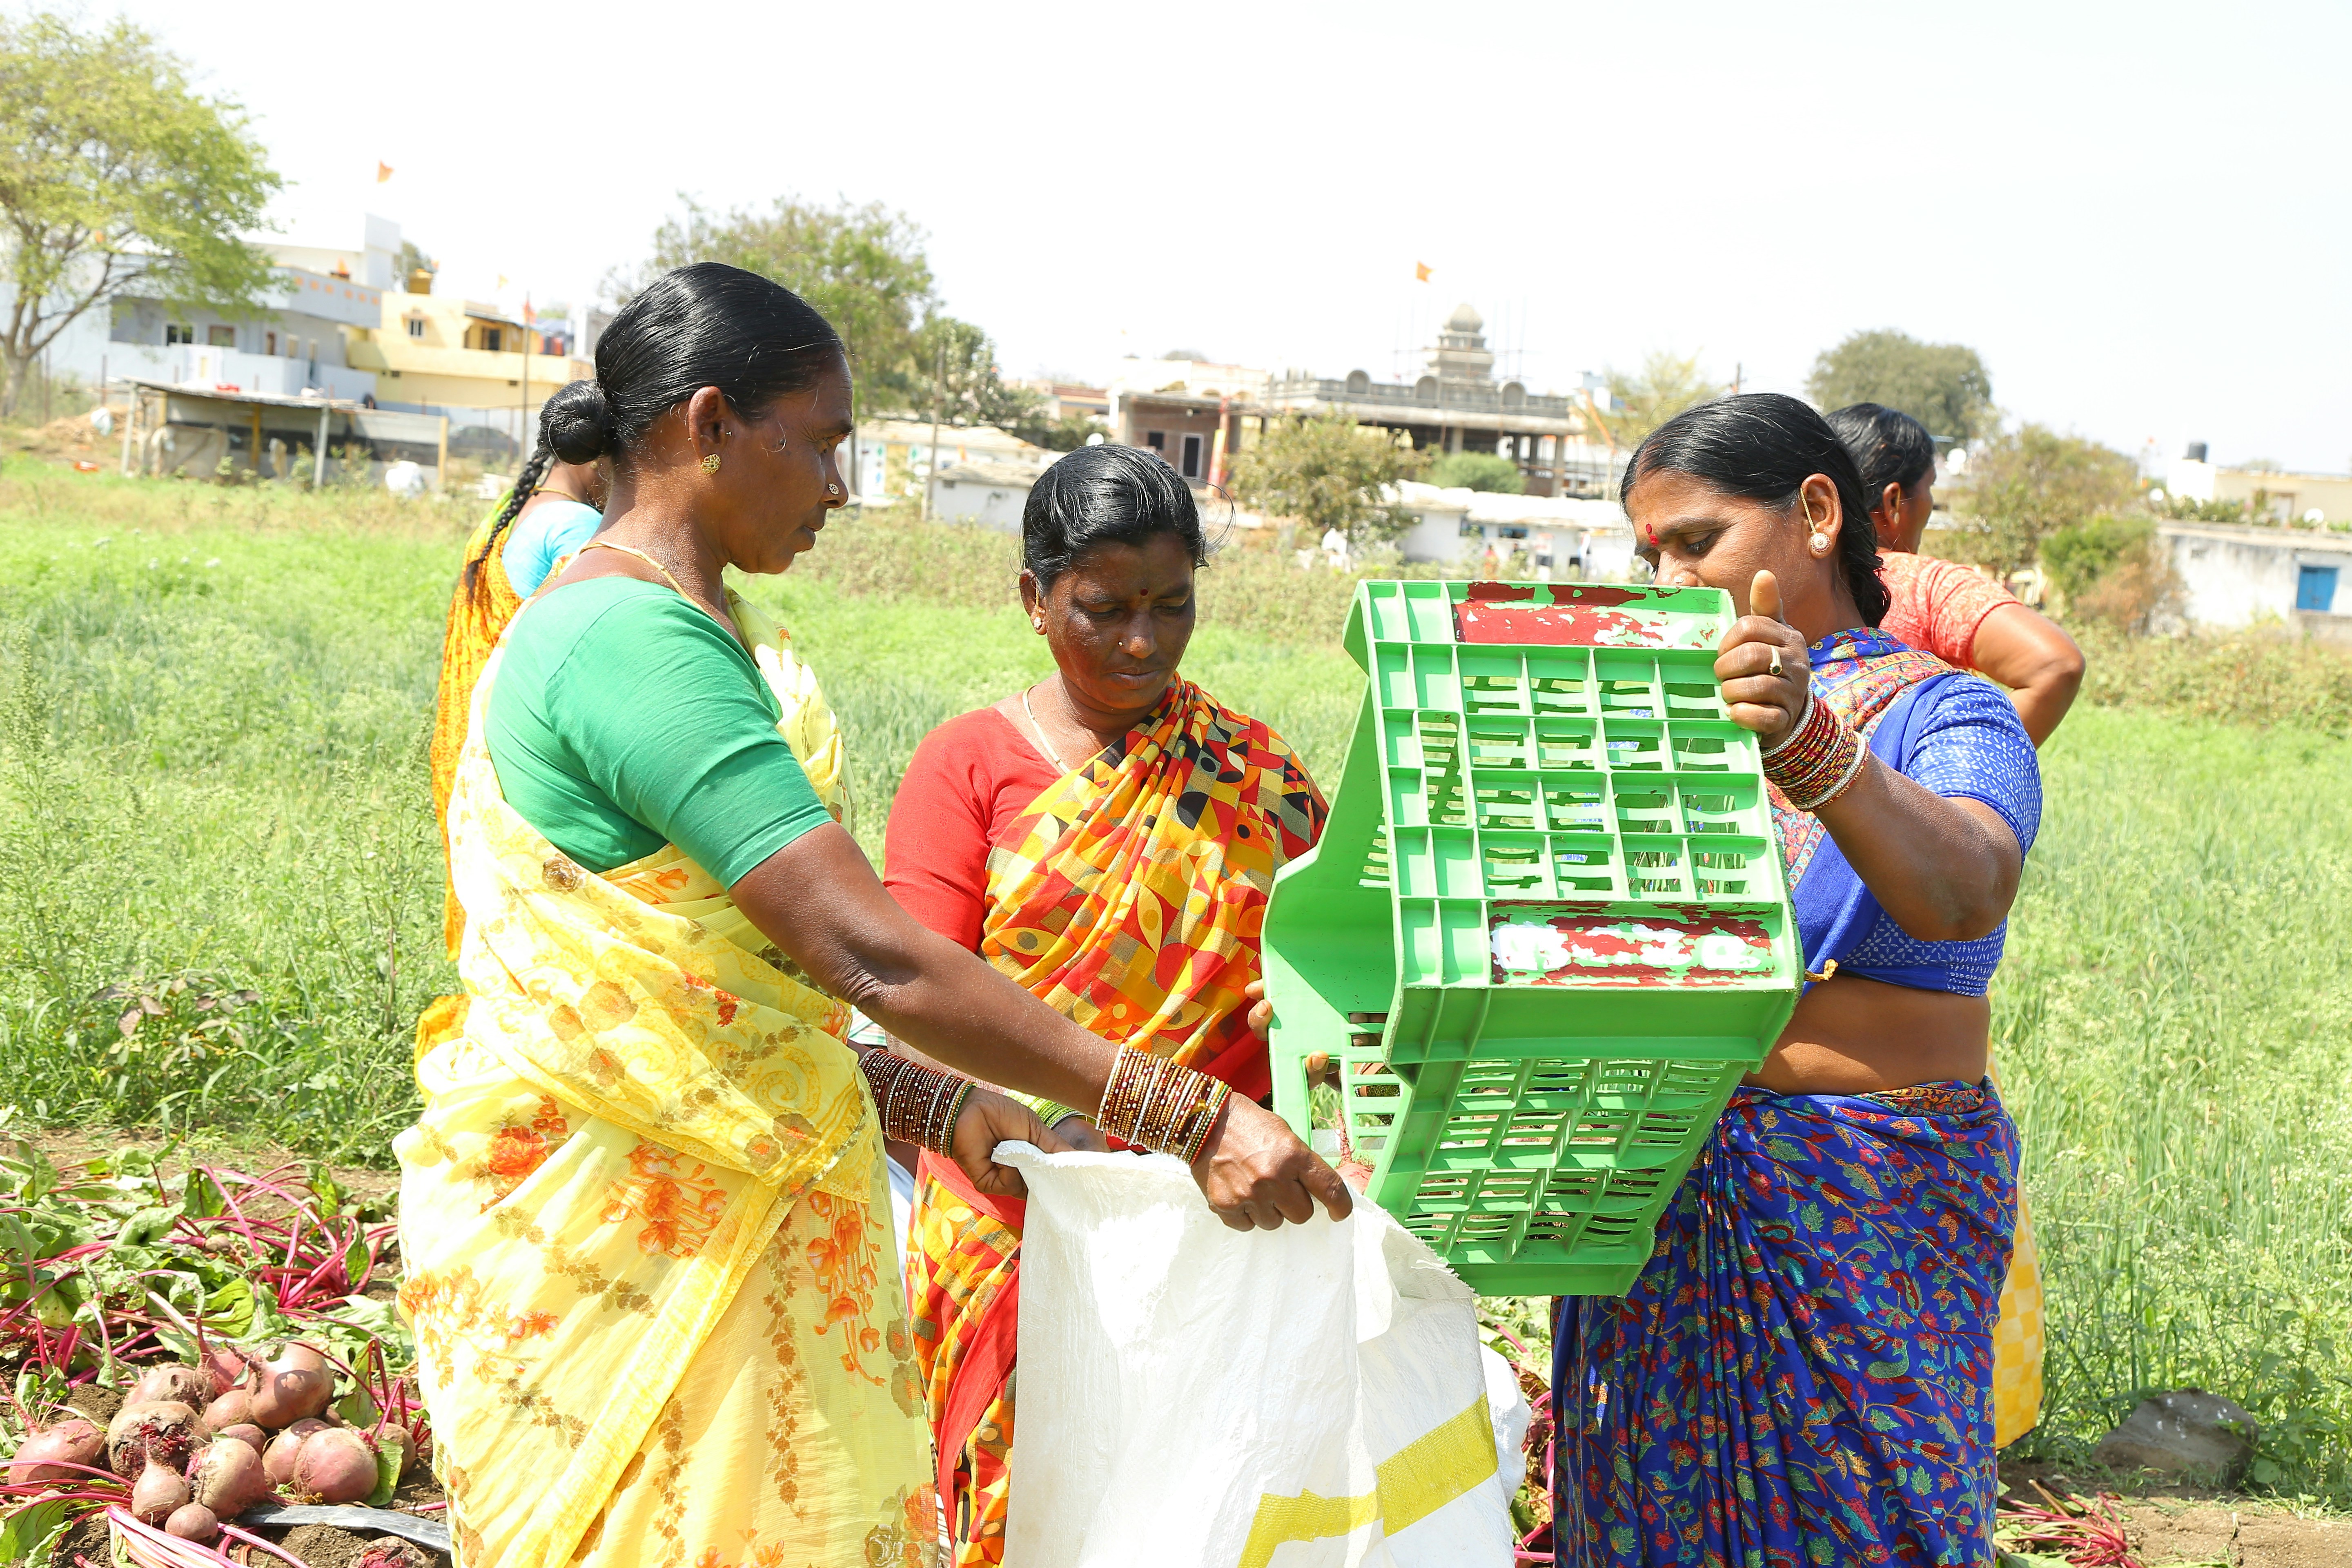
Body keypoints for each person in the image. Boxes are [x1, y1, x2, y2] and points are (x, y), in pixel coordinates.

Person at [396, 264, 1349, 1568]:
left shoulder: (702, 625)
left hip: (714, 1196)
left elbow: (738, 994)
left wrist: (928, 1104)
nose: (842, 487)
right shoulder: (632, 640)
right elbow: (868, 950)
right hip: (633, 1226)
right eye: (827, 440)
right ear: (714, 422)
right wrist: (1185, 1111)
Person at [1554, 394, 2040, 1566]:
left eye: (1697, 542)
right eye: (1647, 555)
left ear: (1818, 514)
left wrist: (1812, 745)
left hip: (1867, 1210)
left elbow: (1967, 888)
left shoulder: (1946, 710)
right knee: (1649, 1520)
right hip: (1654, 1195)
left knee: (1876, 1523)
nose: (1668, 583)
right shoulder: (1647, 733)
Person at [882, 443, 1331, 1566]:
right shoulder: (968, 767)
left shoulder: (1251, 773)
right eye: (1105, 608)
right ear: (1036, 598)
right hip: (1015, 1208)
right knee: (1025, 1514)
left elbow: (1328, 976)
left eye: (1173, 606)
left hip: (1206, 1210)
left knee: (1194, 1512)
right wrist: (1035, 1124)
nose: (1144, 641)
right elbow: (915, 1002)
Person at [1830, 400, 2058, 1451]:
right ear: (1883, 504)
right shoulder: (1921, 582)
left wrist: (1949, 786)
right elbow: (2050, 661)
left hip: (1902, 867)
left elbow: (1964, 878)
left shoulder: (1926, 691)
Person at [427, 438, 607, 958]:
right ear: (598, 457)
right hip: (526, 747)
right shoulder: (574, 528)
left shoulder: (513, 512)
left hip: (477, 735)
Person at [1827, 402, 2084, 745]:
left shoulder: (1779, 576)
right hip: (1895, 797)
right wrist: (1956, 768)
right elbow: (2057, 665)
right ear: (1894, 502)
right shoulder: (1927, 587)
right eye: (1930, 487)